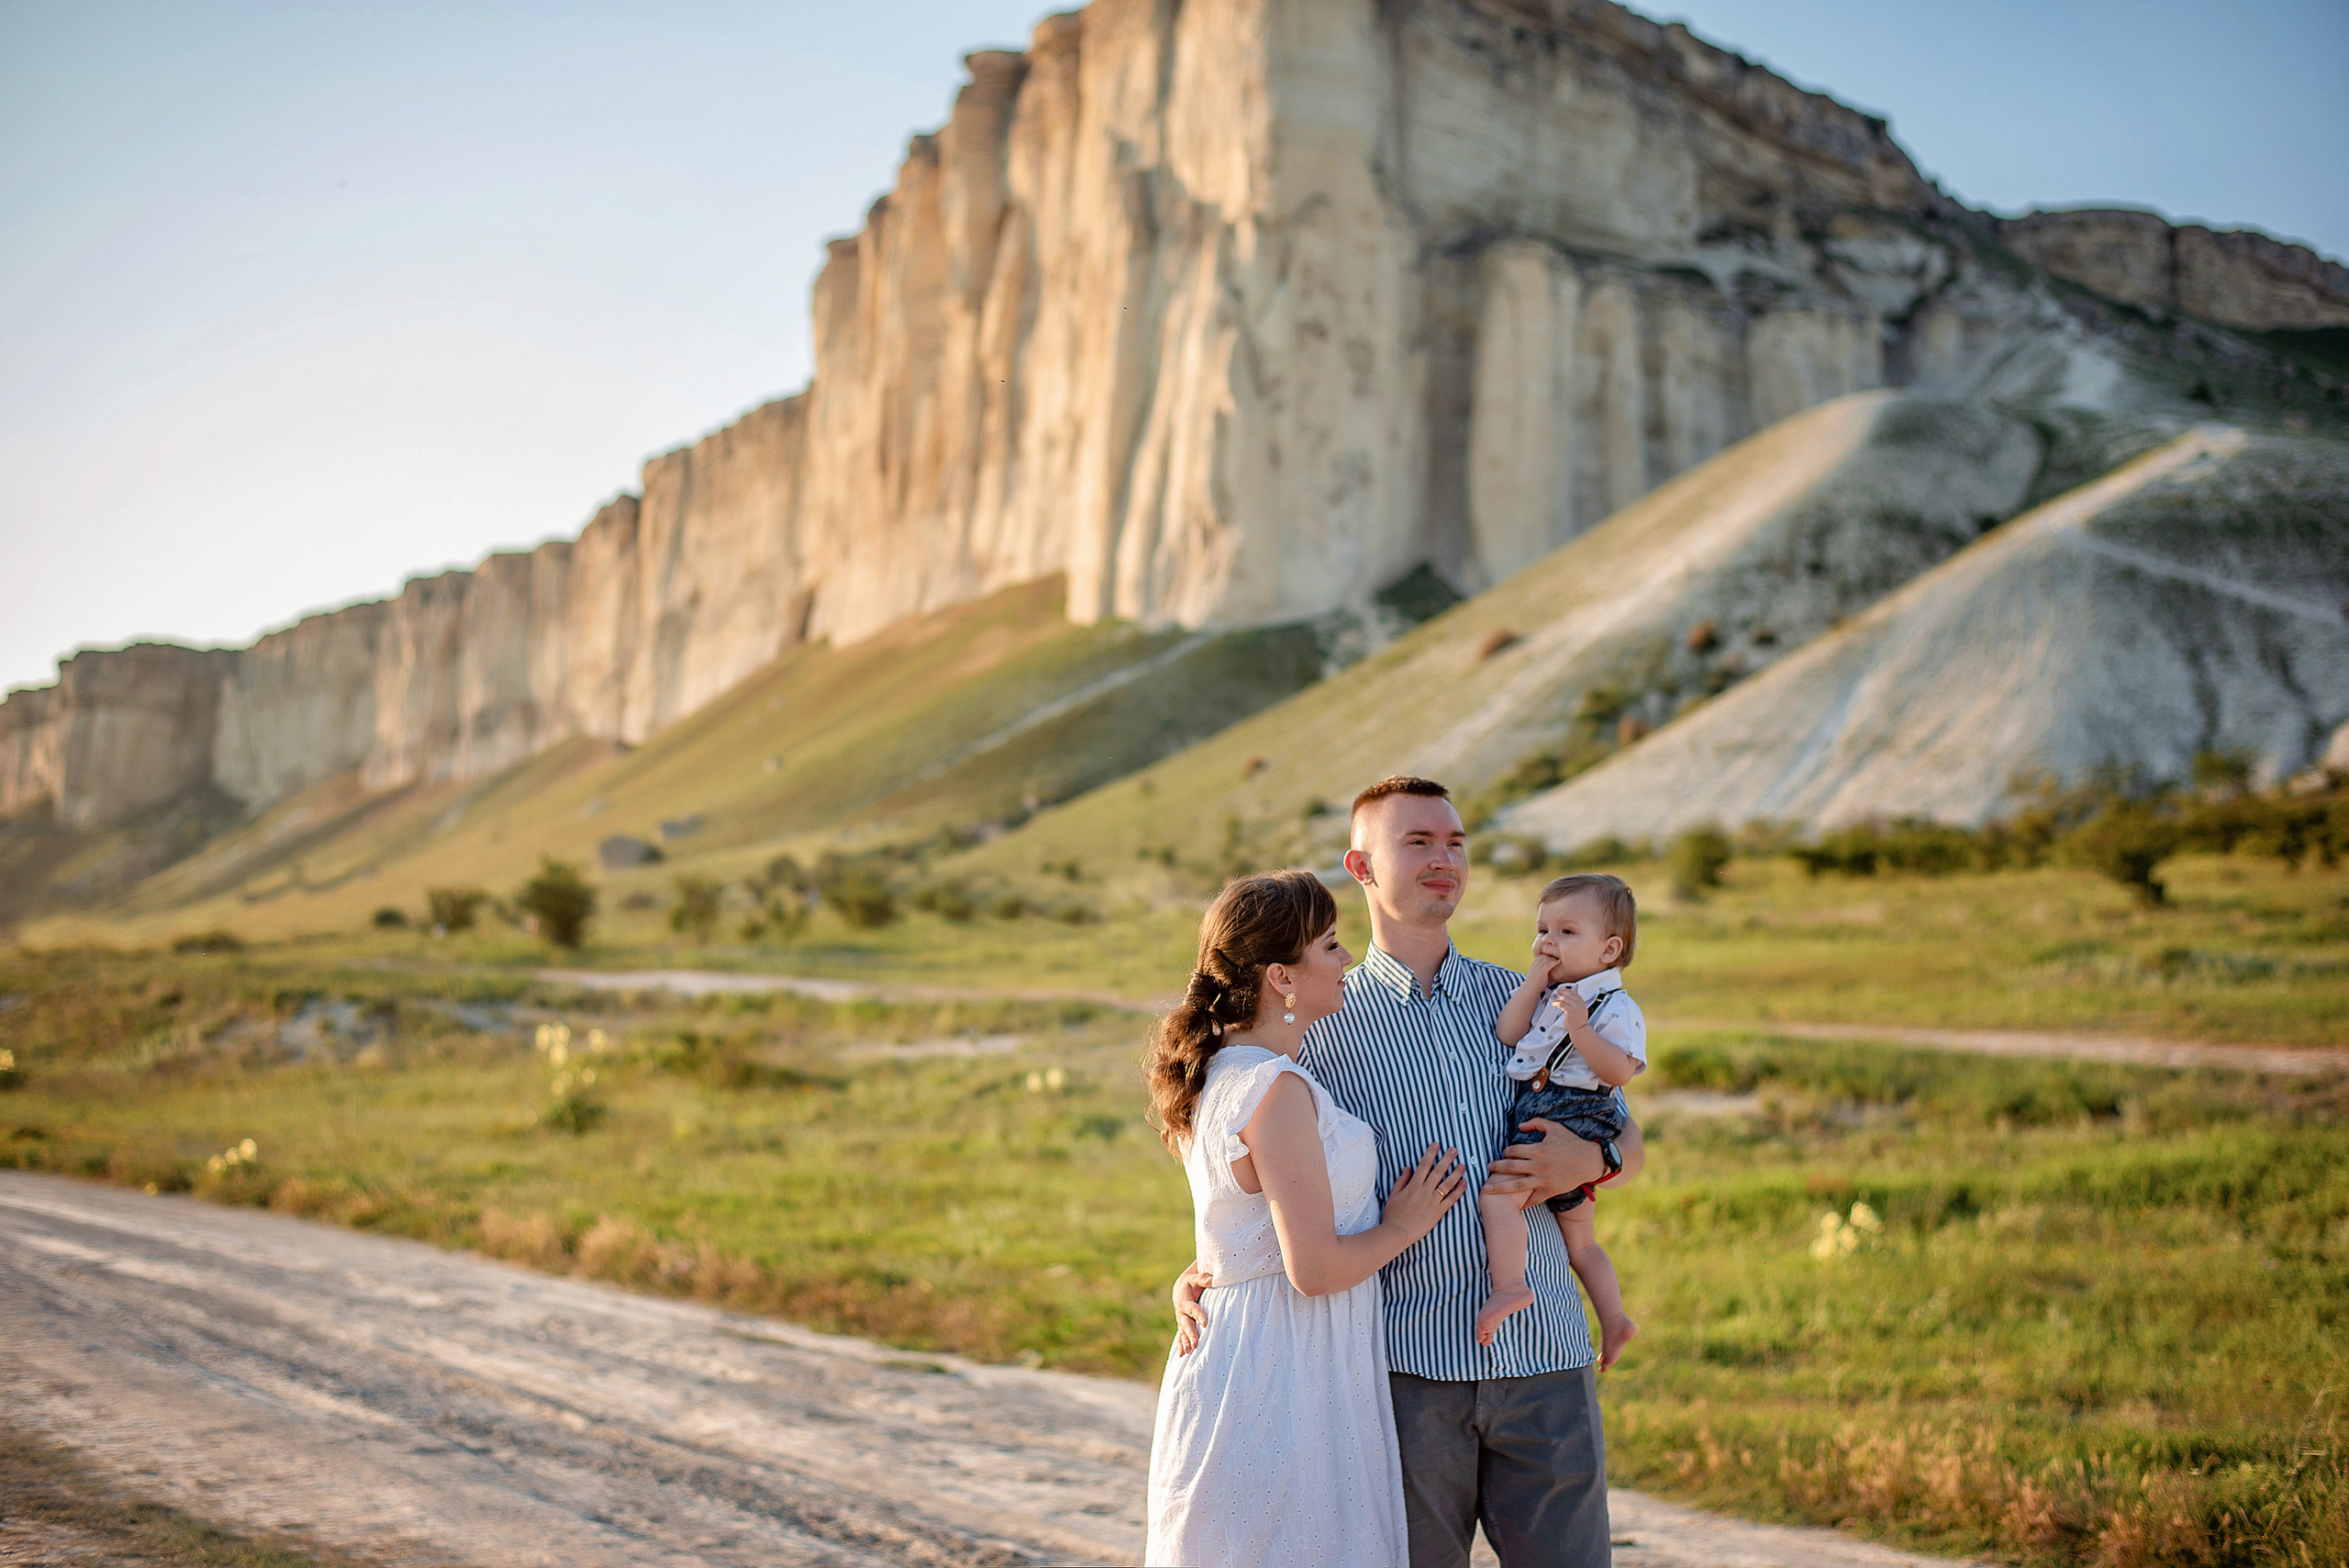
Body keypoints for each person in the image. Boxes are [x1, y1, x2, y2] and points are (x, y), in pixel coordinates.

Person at [1174, 777, 1644, 1568]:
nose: (1444, 859)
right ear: (1361, 866)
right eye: (1417, 842)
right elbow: (1254, 1167)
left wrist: (1592, 1158)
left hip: (1545, 1356)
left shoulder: (1526, 1002)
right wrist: (1204, 1269)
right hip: (1398, 1369)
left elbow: (1627, 1134)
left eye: (1456, 842)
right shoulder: (1318, 1017)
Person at [1144, 870, 1469, 1568]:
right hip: (1284, 1370)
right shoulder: (1276, 1089)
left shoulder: (1221, 1074)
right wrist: (1403, 1225)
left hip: (1251, 1351)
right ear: (1280, 976)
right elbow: (1314, 1269)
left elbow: (1237, 1229)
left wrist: (1202, 1275)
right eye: (1329, 944)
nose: (1346, 957)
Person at [1476, 873, 1645, 1361]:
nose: (1548, 941)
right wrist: (1532, 986)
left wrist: (1580, 1027)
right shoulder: (1554, 992)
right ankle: (1614, 1321)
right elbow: (1510, 1036)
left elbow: (1620, 1071)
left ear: (1609, 951)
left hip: (1572, 1116)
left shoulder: (1616, 1006)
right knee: (1582, 1245)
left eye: (1566, 932)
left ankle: (1509, 1285)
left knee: (1500, 1197)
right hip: (1551, 1110)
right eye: (1543, 929)